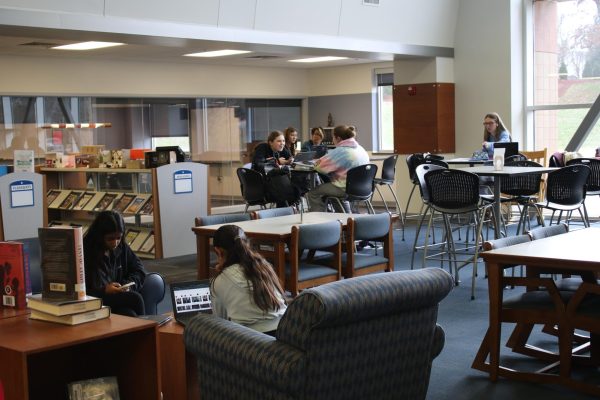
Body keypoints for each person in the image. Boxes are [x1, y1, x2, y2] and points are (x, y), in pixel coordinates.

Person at [210, 225, 287, 335]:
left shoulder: (220, 281)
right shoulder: (264, 266)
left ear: (218, 251)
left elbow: (220, 322)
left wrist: (221, 274)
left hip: (251, 340)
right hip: (284, 329)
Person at [83, 210, 147, 316]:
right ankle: (150, 330)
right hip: (96, 298)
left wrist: (127, 285)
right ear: (100, 236)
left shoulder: (122, 247)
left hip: (116, 295)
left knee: (129, 314)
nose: (115, 243)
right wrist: (104, 290)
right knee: (136, 298)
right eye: (110, 238)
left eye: (119, 238)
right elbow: (82, 290)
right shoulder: (86, 251)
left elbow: (139, 269)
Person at [306, 125, 369, 212]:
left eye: (333, 137)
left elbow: (321, 168)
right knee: (333, 193)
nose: (332, 140)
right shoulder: (361, 149)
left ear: (338, 138)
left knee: (313, 193)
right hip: (363, 187)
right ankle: (346, 218)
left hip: (344, 188)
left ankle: (319, 219)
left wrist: (316, 162)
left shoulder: (341, 151)